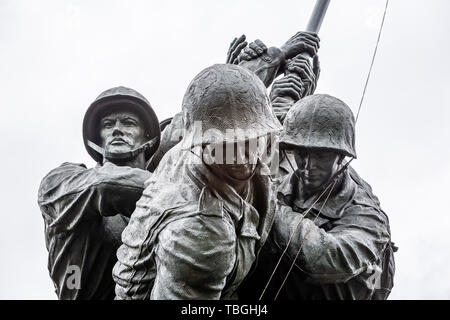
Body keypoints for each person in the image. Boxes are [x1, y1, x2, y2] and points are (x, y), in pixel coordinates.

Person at [113, 64, 283, 299]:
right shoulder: (200, 232)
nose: (244, 155)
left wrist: (293, 77)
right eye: (227, 145)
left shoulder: (245, 150)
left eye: (251, 139)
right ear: (203, 144)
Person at [238, 94, 396, 300]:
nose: (309, 165)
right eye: (301, 153)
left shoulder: (367, 215)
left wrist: (271, 206)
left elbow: (332, 258)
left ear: (341, 157)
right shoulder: (284, 174)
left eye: (321, 155)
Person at [37, 86, 160, 299]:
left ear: (147, 138)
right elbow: (106, 186)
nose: (117, 130)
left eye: (128, 123)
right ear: (98, 137)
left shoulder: (165, 183)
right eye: (108, 124)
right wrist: (177, 188)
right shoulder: (62, 180)